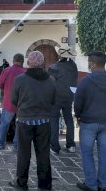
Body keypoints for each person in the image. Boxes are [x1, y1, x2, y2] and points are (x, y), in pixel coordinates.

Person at [9, 51, 55, 190]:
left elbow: (13, 100)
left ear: (28, 63)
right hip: (44, 122)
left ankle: (21, 183)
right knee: (43, 154)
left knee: (24, 154)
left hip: (25, 121)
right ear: (42, 63)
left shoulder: (20, 79)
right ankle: (45, 184)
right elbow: (53, 100)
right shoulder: (51, 80)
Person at [74, 51, 106, 191]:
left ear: (92, 64)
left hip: (88, 123)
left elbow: (78, 102)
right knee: (104, 154)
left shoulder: (85, 81)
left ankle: (91, 184)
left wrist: (79, 116)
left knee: (87, 154)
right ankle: (103, 184)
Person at [49, 46, 78, 154]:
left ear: (60, 55)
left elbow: (50, 83)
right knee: (69, 120)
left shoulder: (54, 67)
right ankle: (71, 145)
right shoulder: (74, 66)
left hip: (56, 97)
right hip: (69, 96)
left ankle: (54, 146)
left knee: (54, 120)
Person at [0, 53, 25, 151]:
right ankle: (16, 146)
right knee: (20, 125)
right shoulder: (26, 72)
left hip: (9, 102)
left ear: (13, 60)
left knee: (4, 124)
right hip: (22, 104)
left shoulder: (7, 70)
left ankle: (0, 143)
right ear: (22, 61)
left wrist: (6, 88)